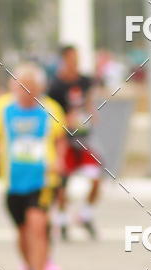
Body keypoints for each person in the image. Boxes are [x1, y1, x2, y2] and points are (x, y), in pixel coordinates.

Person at [0, 63, 66, 270]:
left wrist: (59, 158)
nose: (26, 93)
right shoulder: (2, 108)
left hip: (43, 181)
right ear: (14, 87)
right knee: (22, 232)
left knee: (37, 226)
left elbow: (60, 139)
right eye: (22, 87)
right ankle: (31, 269)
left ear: (40, 88)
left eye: (31, 88)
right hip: (13, 181)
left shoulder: (51, 109)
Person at [48, 45, 101, 239]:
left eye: (77, 58)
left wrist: (91, 111)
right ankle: (61, 220)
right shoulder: (55, 85)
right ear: (64, 59)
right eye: (71, 58)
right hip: (64, 141)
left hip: (83, 139)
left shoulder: (85, 80)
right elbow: (51, 110)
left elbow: (88, 100)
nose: (75, 62)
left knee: (96, 177)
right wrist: (64, 119)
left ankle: (85, 215)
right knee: (62, 185)